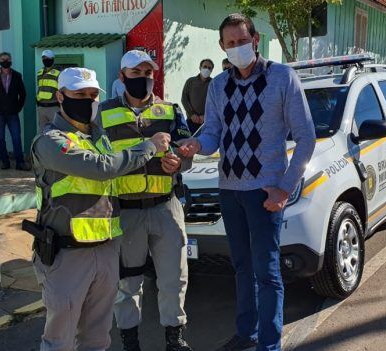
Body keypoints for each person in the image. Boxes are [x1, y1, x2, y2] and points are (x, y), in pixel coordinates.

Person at [177, 14, 316, 351]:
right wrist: (196, 144)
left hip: (265, 192)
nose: (237, 47)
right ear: (223, 47)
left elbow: (306, 137)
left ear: (255, 40)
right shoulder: (219, 86)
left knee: (267, 272)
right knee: (241, 267)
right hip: (230, 191)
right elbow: (212, 133)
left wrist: (284, 187)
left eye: (243, 41)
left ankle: (270, 344)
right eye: (231, 43)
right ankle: (247, 332)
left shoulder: (282, 77)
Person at [29, 67, 171, 350]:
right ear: (60, 96)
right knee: (60, 340)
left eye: (93, 95)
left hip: (105, 250)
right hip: (66, 254)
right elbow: (101, 169)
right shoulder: (50, 140)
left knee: (97, 337)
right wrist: (149, 147)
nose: (88, 100)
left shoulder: (99, 138)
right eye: (79, 94)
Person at [97, 50, 193, 351]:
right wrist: (145, 147)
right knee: (127, 284)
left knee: (174, 278)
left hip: (166, 206)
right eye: (136, 74)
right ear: (122, 77)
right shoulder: (102, 114)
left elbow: (185, 153)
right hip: (125, 211)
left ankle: (174, 338)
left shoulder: (170, 110)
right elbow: (98, 160)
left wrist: (178, 162)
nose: (143, 79)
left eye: (148, 74)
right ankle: (130, 341)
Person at [0, 52, 29, 170]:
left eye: (7, 59)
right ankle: (5, 161)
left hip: (13, 113)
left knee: (16, 138)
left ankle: (20, 162)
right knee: (0, 138)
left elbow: (23, 94)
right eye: (3, 59)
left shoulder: (17, 75)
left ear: (11, 60)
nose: (5, 61)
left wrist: (18, 108)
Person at [181, 58, 214, 134]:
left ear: (212, 70)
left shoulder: (214, 83)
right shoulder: (190, 81)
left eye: (209, 68)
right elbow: (184, 99)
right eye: (204, 66)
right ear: (200, 67)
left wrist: (206, 116)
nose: (207, 69)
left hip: (207, 122)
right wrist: (192, 114)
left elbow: (216, 102)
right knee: (188, 143)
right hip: (191, 120)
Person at [36, 50, 61, 129]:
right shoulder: (40, 72)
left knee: (56, 131)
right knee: (43, 132)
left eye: (48, 58)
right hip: (41, 107)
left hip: (54, 106)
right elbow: (39, 88)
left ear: (52, 59)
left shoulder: (59, 71)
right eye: (44, 58)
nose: (45, 60)